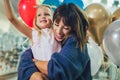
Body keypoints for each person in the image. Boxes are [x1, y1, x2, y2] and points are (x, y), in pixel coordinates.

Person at [18, 3, 92, 80]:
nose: (58, 32)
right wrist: (33, 73)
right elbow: (26, 57)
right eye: (56, 24)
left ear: (74, 28)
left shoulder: (75, 42)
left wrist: (35, 62)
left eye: (66, 28)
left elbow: (58, 70)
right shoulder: (51, 38)